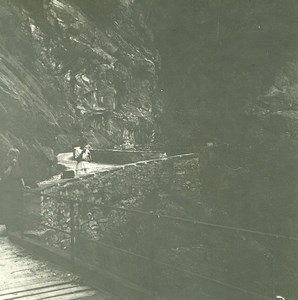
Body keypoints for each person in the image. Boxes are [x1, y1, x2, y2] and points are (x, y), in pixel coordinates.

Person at [0, 148, 27, 232]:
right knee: (8, 209)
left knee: (16, 209)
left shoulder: (17, 164)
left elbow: (20, 176)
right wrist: (11, 166)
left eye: (16, 155)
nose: (14, 157)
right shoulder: (5, 164)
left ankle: (15, 228)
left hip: (17, 190)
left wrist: (23, 185)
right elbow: (5, 175)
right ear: (9, 155)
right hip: (7, 191)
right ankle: (8, 229)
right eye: (13, 154)